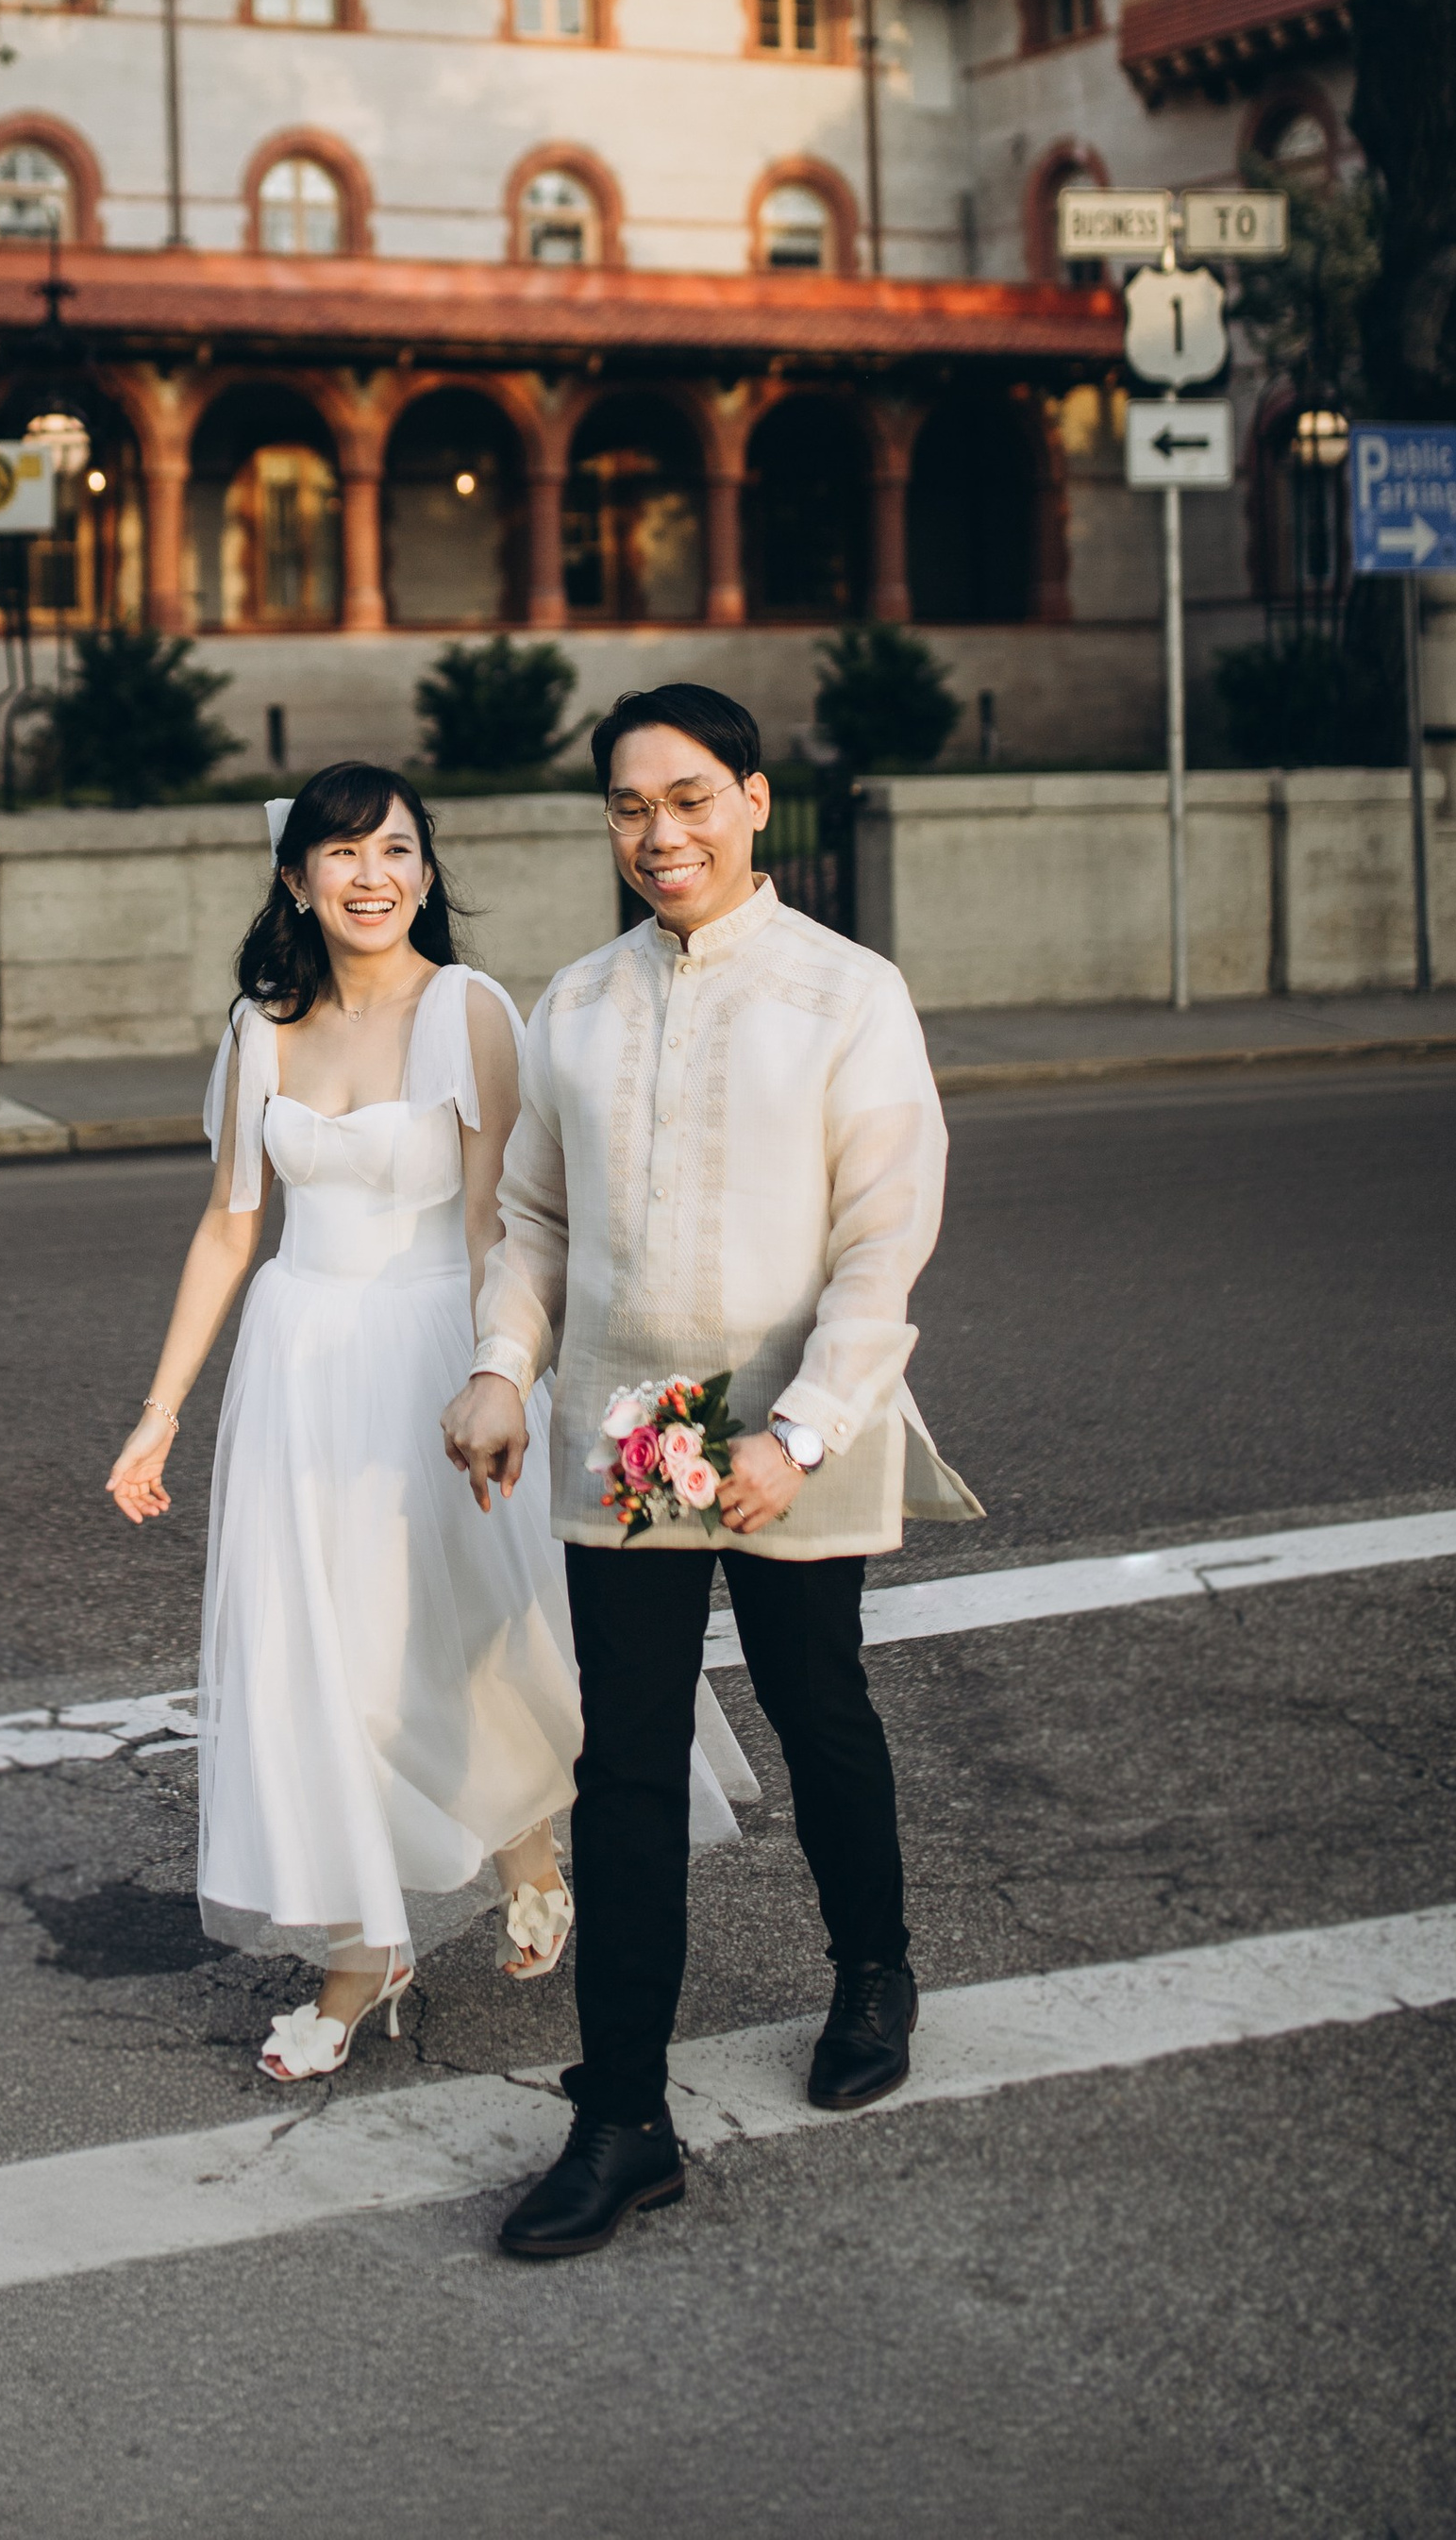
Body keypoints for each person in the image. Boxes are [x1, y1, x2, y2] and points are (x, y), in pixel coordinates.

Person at [108, 759, 749, 2084]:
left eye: (397, 849)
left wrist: (501, 1377)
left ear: (428, 871)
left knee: (470, 1631)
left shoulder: (468, 1008)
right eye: (342, 854)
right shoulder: (258, 1029)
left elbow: (494, 1221)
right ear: (296, 879)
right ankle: (365, 1949)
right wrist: (160, 1413)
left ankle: (525, 1847)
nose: (372, 875)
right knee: (319, 1656)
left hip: (436, 1353)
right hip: (298, 1365)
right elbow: (231, 1233)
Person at [443, 681, 979, 2260]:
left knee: (819, 1709)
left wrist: (799, 1431)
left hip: (793, 1412)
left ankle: (872, 1968)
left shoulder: (846, 993)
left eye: (687, 800)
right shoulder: (581, 1001)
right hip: (628, 1424)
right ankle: (623, 2119)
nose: (658, 833)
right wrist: (499, 1367)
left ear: (751, 800)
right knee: (620, 1766)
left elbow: (886, 1240)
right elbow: (532, 1222)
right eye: (628, 808)